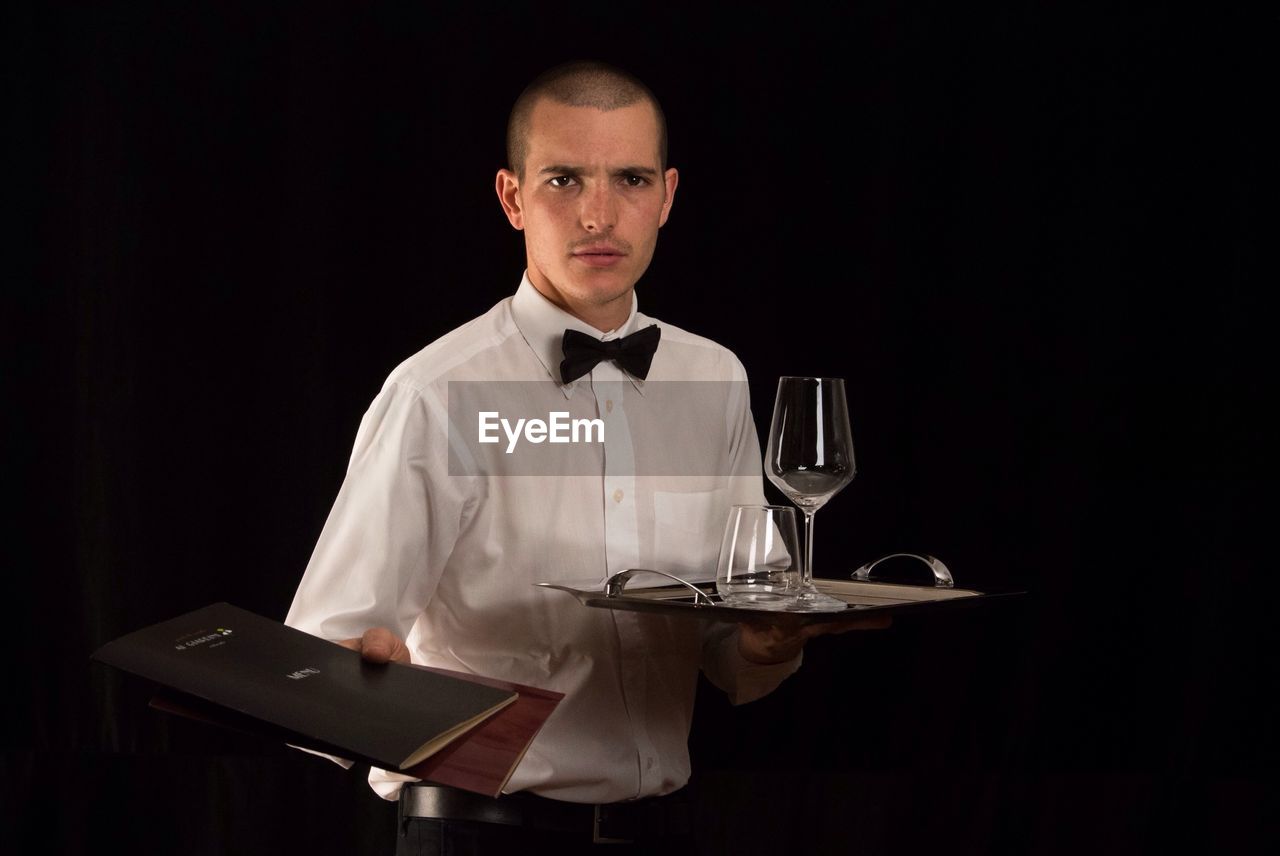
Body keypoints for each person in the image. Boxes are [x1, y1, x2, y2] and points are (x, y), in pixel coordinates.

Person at [285, 59, 886, 854]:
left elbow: (730, 634)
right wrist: (368, 682)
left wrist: (761, 644)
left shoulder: (714, 377)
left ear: (668, 196)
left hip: (660, 829)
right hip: (477, 835)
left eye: (630, 179)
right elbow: (320, 663)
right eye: (564, 179)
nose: (599, 214)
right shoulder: (435, 392)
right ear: (512, 198)